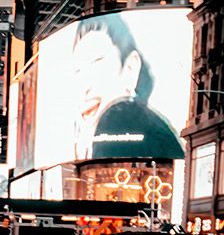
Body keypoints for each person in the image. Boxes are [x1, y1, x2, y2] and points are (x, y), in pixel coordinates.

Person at [72, 15, 184, 163]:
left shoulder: (150, 136)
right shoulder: (86, 143)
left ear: (130, 67)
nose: (86, 86)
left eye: (97, 62)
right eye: (78, 70)